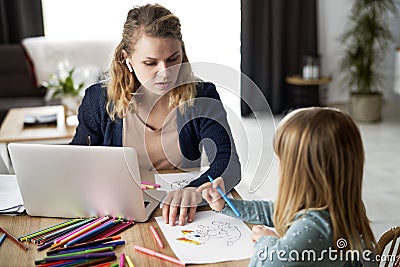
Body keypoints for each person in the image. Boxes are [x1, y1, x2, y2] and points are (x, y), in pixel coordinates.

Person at [70, 4, 241, 226]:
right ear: (127, 59)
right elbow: (76, 160)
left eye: (173, 59)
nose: (165, 72)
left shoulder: (202, 95)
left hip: (181, 215)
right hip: (118, 213)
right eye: (150, 63)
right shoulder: (98, 100)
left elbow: (228, 160)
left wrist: (195, 190)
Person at [198, 107, 377, 266]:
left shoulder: (314, 228)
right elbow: (277, 212)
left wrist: (267, 241)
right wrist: (227, 205)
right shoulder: (335, 204)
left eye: (281, 160)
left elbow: (262, 263)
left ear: (301, 172)